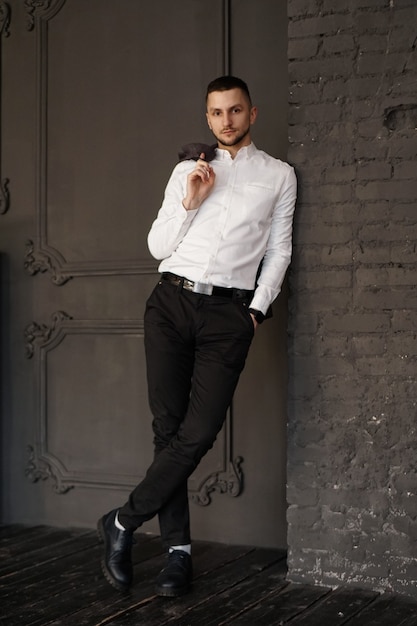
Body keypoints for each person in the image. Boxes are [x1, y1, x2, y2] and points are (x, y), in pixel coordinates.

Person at [97, 75, 297, 597]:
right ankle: (177, 555)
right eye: (215, 113)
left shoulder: (279, 176)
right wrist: (191, 198)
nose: (225, 121)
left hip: (228, 315)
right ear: (207, 117)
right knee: (169, 432)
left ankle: (120, 523)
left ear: (252, 113)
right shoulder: (190, 168)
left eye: (234, 111)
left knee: (197, 434)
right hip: (170, 302)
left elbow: (278, 251)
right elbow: (157, 245)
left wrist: (255, 310)